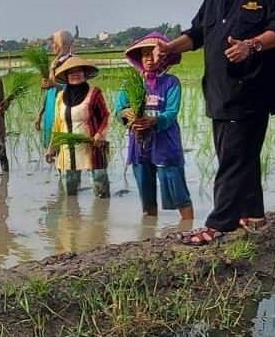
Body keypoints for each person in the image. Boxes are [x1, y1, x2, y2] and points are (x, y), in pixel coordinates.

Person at [154, 0, 275, 245]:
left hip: (251, 88)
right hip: (218, 90)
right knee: (239, 154)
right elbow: (197, 34)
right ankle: (253, 214)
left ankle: (220, 223)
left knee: (234, 156)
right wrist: (170, 48)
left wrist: (252, 46)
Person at [114, 32, 194, 220]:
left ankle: (189, 226)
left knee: (178, 192)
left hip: (165, 144)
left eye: (154, 53)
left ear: (164, 56)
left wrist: (154, 121)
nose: (149, 58)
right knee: (146, 197)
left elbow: (171, 112)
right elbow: (119, 110)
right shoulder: (131, 84)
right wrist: (126, 115)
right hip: (139, 145)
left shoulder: (171, 82)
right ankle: (148, 234)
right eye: (145, 54)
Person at [46, 56, 110, 197]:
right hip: (67, 149)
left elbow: (106, 115)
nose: (75, 74)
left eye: (79, 71)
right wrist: (52, 147)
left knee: (101, 190)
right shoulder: (60, 97)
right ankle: (72, 218)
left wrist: (100, 134)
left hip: (93, 146)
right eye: (71, 72)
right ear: (66, 77)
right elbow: (58, 124)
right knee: (70, 192)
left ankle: (102, 217)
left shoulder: (95, 93)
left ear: (85, 74)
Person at [35, 30, 72, 148]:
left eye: (54, 42)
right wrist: (40, 114)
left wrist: (54, 85)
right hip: (51, 112)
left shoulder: (71, 63)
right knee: (54, 152)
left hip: (65, 112)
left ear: (63, 44)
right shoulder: (54, 64)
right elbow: (50, 93)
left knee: (65, 151)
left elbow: (75, 88)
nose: (52, 46)